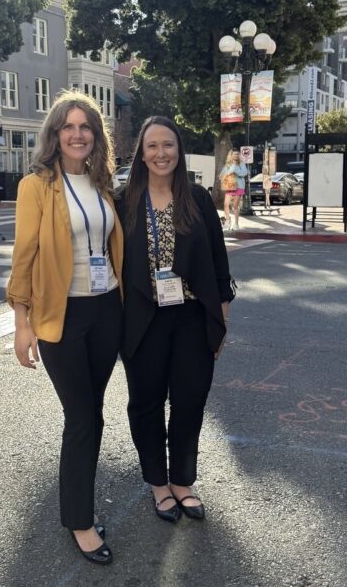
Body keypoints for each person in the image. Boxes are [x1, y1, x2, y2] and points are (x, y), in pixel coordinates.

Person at [6, 90, 123, 565]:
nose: (77, 134)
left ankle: (80, 506)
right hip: (62, 315)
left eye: (85, 127)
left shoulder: (103, 183)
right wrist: (21, 322)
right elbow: (24, 256)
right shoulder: (36, 186)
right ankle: (79, 520)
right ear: (55, 135)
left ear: (96, 135)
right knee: (81, 417)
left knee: (92, 413)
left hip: (107, 310)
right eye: (68, 127)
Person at [116, 116, 235, 524]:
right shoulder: (123, 201)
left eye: (168, 145)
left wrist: (221, 318)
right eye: (152, 146)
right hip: (143, 318)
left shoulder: (197, 198)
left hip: (192, 317)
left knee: (190, 400)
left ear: (179, 151)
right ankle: (158, 482)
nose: (160, 153)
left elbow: (219, 261)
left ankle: (182, 480)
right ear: (141, 154)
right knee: (146, 403)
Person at [219, 149, 248, 230]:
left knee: (235, 205)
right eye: (234, 154)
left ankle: (236, 224)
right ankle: (228, 221)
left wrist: (235, 170)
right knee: (226, 204)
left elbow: (244, 173)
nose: (236, 156)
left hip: (239, 186)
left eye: (237, 154)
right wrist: (223, 176)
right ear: (231, 155)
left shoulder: (241, 164)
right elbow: (222, 175)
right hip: (229, 186)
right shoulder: (228, 165)